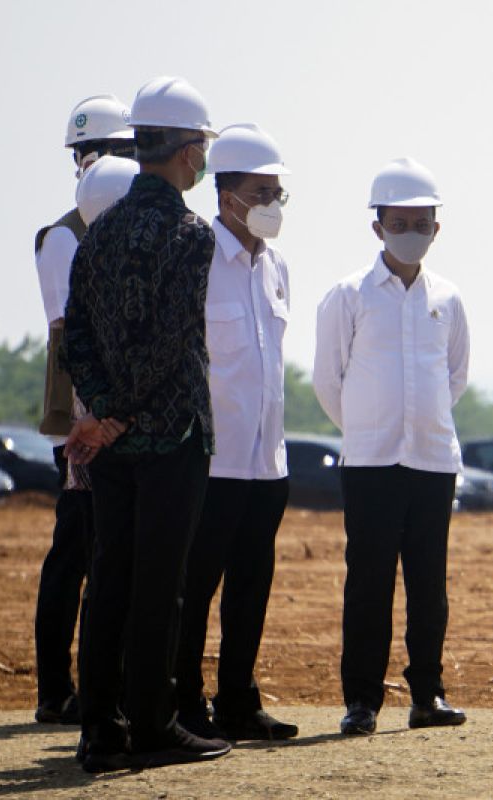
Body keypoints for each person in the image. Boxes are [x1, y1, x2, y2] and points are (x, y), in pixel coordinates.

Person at [63, 75, 230, 772]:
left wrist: (101, 415)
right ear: (188, 151)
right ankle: (154, 724)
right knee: (161, 584)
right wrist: (125, 414)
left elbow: (75, 335)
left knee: (110, 580)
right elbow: (170, 342)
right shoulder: (191, 233)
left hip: (115, 442)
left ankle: (101, 727)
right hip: (169, 436)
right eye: (201, 149)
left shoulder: (98, 232)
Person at [313, 157, 470, 736]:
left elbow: (454, 375)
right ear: (376, 226)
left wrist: (420, 422)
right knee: (369, 584)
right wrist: (366, 428)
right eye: (399, 223)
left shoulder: (448, 298)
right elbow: (329, 381)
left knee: (430, 584)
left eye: (421, 222)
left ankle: (428, 695)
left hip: (432, 461)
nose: (411, 233)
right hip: (372, 465)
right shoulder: (348, 295)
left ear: (436, 227)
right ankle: (361, 702)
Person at [174, 123, 298, 742]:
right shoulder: (196, 258)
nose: (274, 205)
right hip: (211, 462)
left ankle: (238, 701)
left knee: (251, 587)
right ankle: (184, 704)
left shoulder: (276, 266)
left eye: (280, 192)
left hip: (266, 462)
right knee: (194, 590)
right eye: (263, 192)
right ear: (228, 197)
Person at [32, 94, 135, 726]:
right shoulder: (64, 237)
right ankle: (55, 689)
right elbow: (69, 335)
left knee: (101, 550)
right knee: (77, 552)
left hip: (111, 419)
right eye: (95, 153)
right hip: (83, 422)